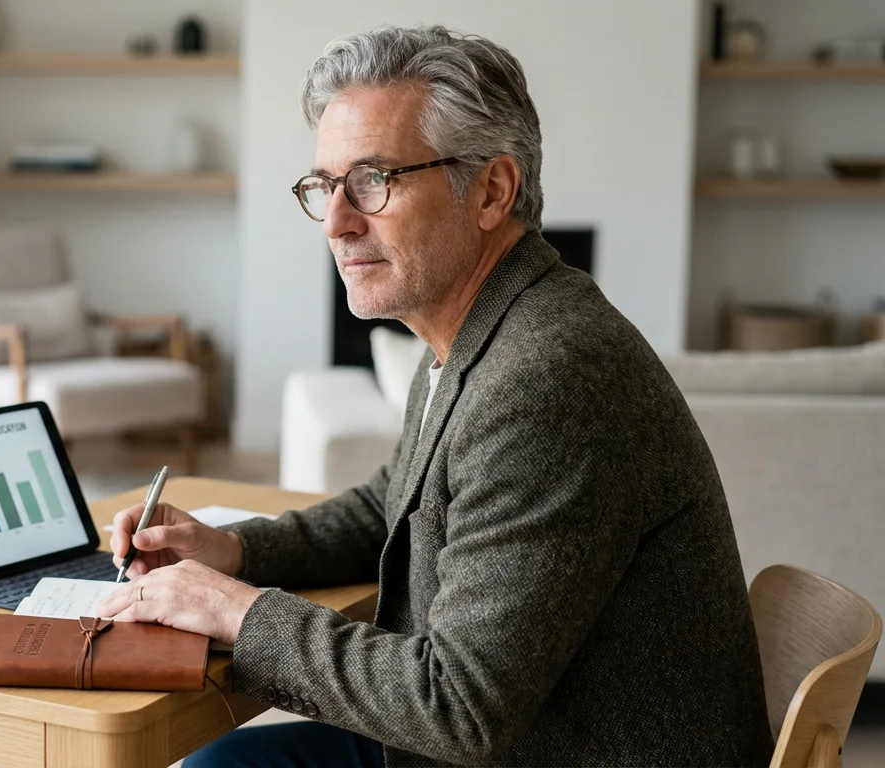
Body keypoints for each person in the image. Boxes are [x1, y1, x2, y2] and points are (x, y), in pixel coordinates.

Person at [96, 24, 774, 768]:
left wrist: (239, 611)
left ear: (491, 191)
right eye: (324, 185)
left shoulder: (548, 377)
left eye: (373, 181)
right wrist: (237, 549)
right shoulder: (483, 327)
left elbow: (458, 707)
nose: (335, 221)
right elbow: (400, 501)